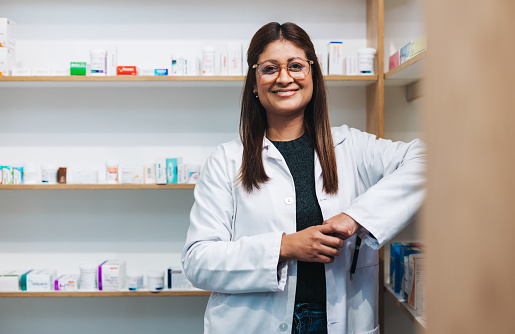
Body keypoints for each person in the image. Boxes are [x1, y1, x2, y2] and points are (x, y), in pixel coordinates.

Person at [181, 22, 425, 334]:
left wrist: (356, 216)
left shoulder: (352, 147)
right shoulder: (227, 160)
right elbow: (198, 262)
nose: (284, 78)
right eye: (270, 68)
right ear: (254, 83)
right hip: (254, 323)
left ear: (313, 75)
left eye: (296, 66)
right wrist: (284, 246)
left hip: (338, 322)